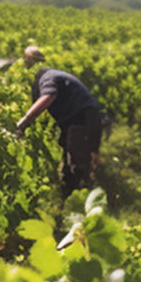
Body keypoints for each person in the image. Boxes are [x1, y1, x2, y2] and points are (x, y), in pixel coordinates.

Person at [14, 46, 108, 194]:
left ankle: (90, 204)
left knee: (78, 167)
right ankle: (70, 205)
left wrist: (24, 121)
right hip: (80, 120)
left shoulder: (47, 78)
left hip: (82, 120)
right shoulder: (53, 74)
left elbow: (48, 97)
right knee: (68, 170)